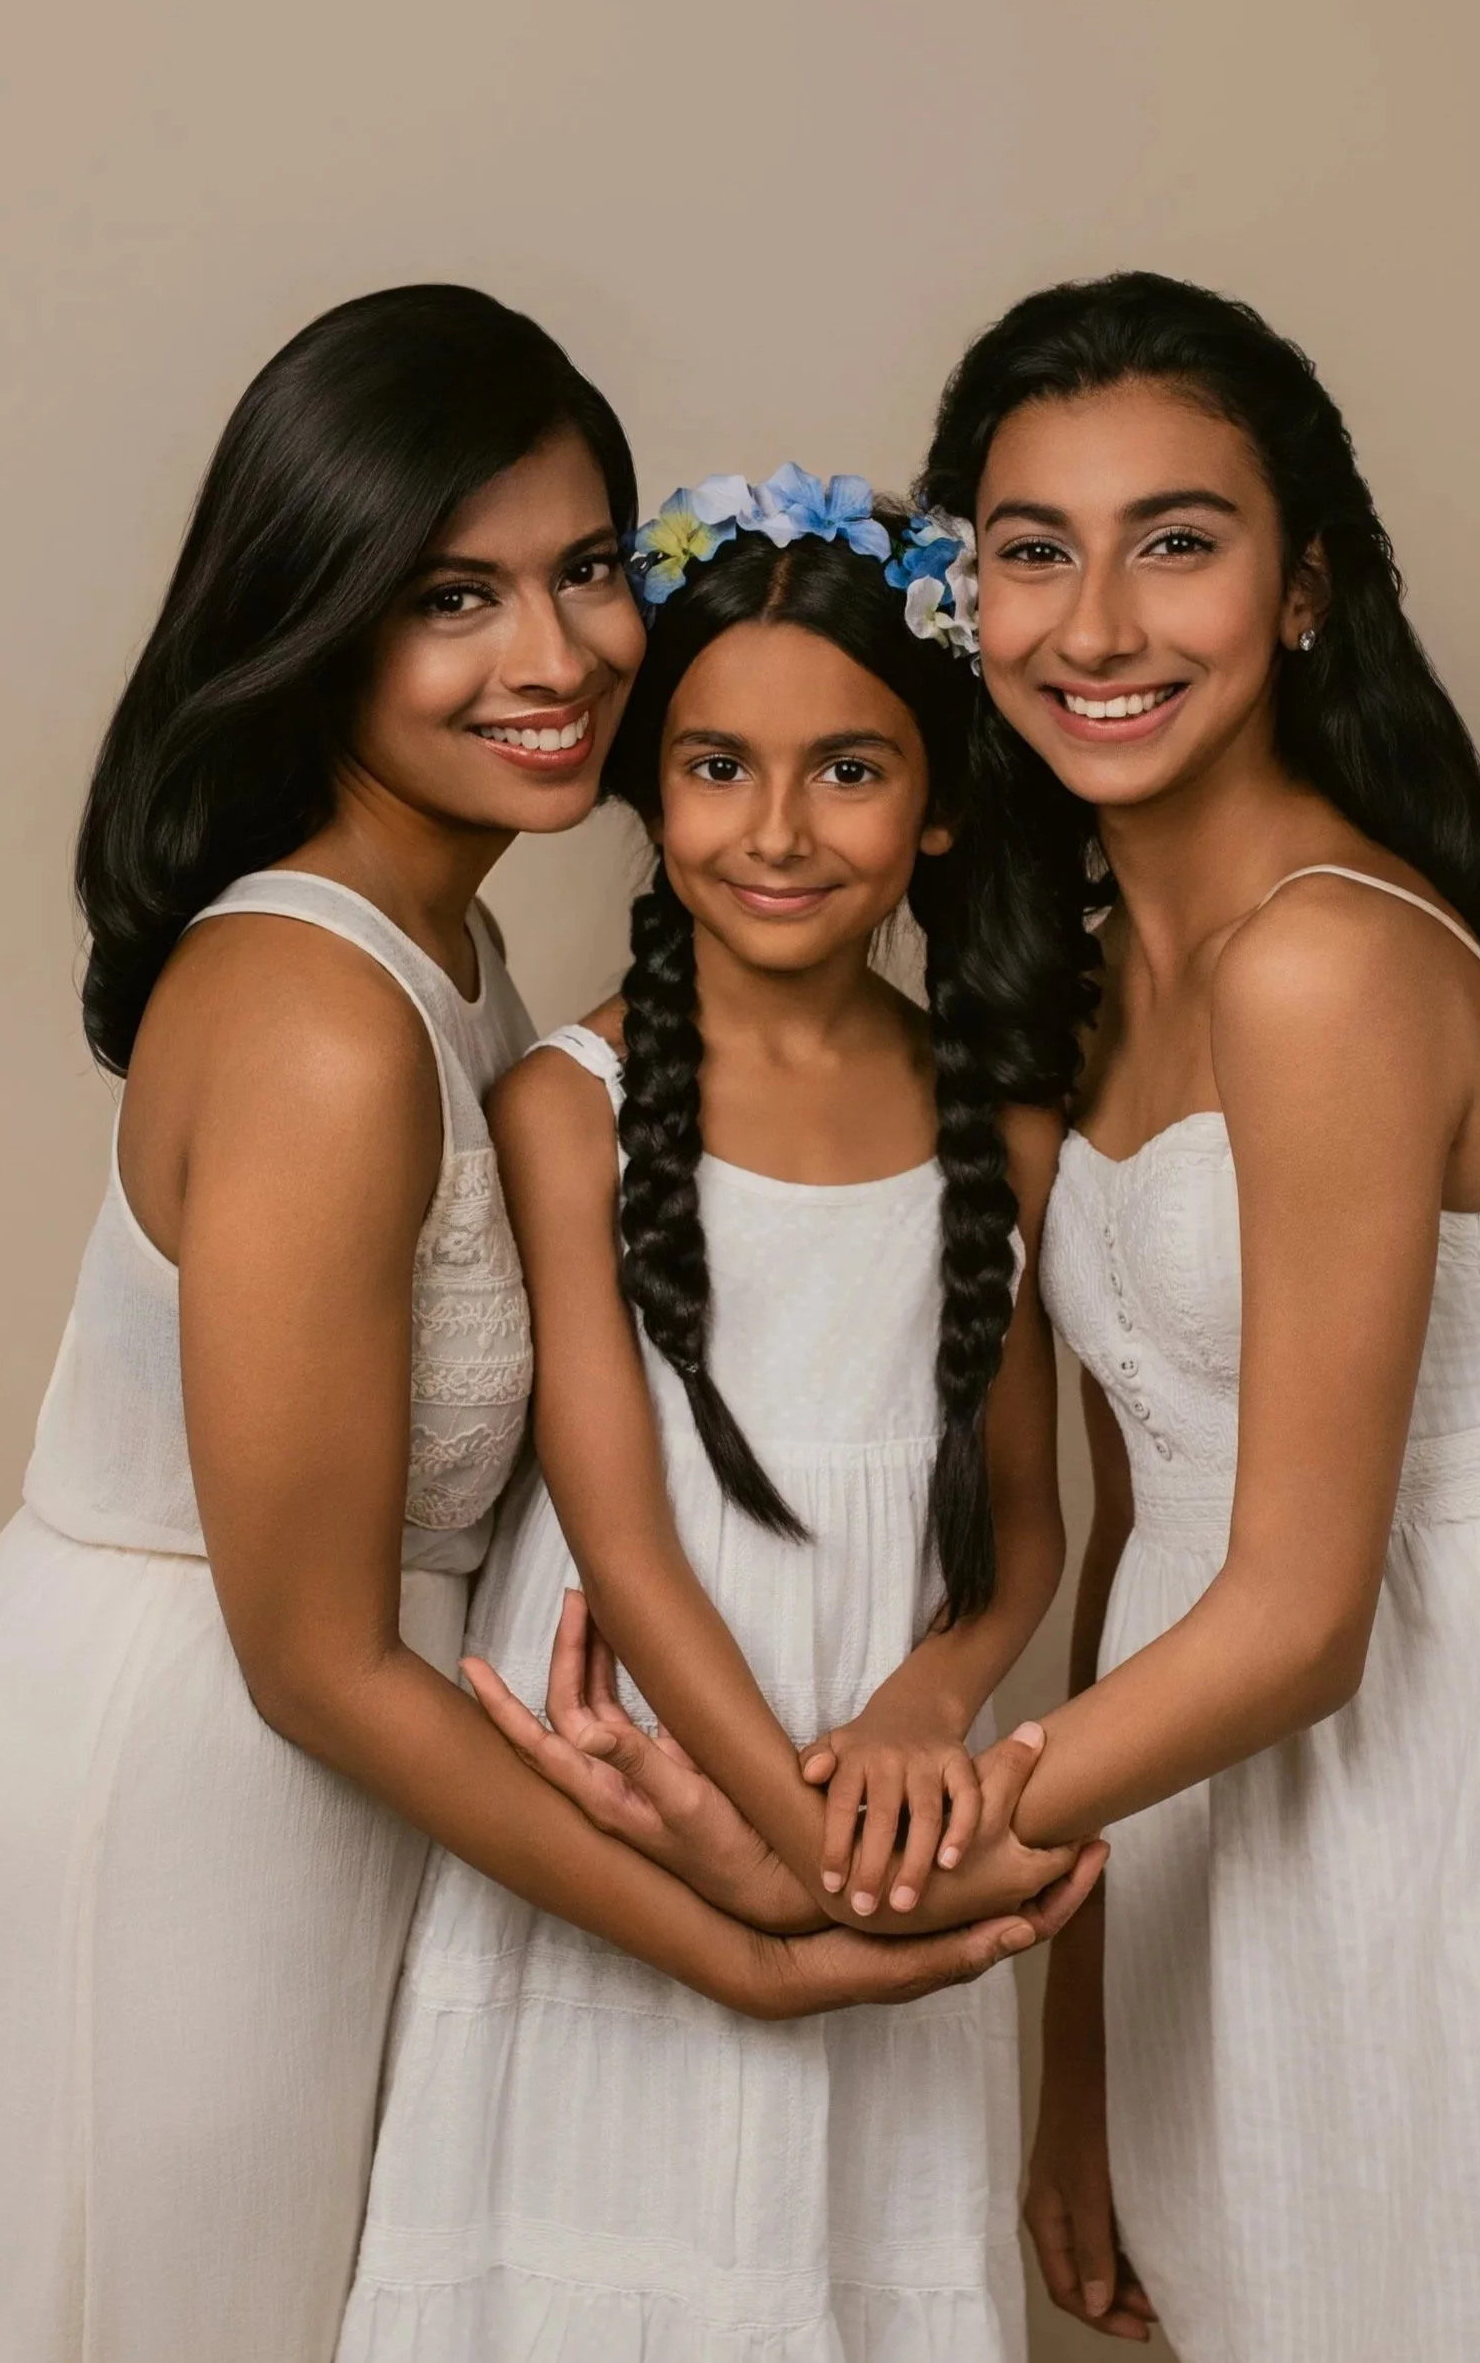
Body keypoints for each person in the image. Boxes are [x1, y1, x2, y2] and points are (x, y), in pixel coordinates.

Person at [0, 306, 1081, 2363]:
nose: (559, 654)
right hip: (168, 1801)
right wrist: (744, 1935)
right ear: (316, 625)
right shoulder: (322, 1018)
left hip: (343, 1805)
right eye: (450, 598)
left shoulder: (454, 963)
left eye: (586, 569)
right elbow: (311, 1653)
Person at [916, 273, 1480, 2358]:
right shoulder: (1083, 963)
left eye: (1178, 543)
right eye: (1030, 551)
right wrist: (1077, 2052)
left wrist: (916, 1853)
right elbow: (1145, 1537)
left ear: (1305, 590)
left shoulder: (1324, 963)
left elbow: (1301, 1611)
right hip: (1223, 1835)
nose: (1097, 625)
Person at [340, 468, 1101, 2360]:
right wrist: (793, 1859)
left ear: (933, 807)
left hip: (881, 1791)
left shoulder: (998, 1124)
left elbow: (1027, 1526)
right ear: (646, 788)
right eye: (713, 768)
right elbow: (617, 1532)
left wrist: (923, 1713)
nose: (777, 830)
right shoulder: (563, 1108)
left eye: (849, 770)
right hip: (653, 1789)